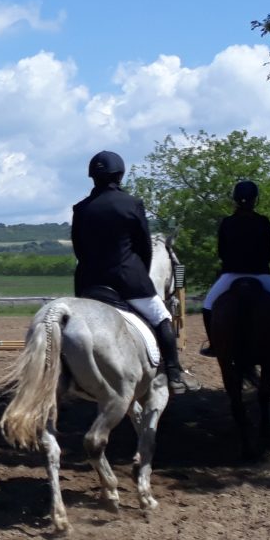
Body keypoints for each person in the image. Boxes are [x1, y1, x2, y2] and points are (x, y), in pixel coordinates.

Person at [71, 150, 187, 394]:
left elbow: (78, 249)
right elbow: (144, 245)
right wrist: (140, 275)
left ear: (92, 177)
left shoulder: (80, 209)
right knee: (162, 318)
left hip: (89, 283)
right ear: (120, 175)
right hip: (128, 280)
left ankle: (70, 374)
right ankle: (174, 373)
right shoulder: (132, 204)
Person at [199, 180, 270, 357]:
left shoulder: (227, 222)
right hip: (261, 275)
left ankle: (214, 345)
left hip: (231, 275)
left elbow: (221, 251)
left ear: (235, 199)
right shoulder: (263, 222)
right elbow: (269, 251)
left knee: (208, 307)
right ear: (255, 199)